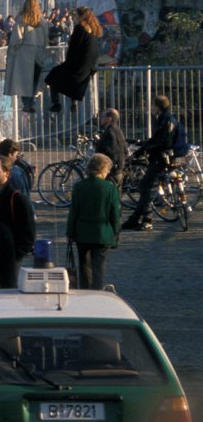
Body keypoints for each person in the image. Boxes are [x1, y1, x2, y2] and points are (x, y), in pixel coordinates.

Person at [124, 94, 180, 232]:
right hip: (162, 157)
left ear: (158, 107)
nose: (151, 108)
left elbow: (161, 142)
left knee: (144, 187)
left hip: (161, 159)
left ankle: (147, 220)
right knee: (145, 186)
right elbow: (155, 139)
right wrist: (140, 151)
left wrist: (145, 149)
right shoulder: (165, 119)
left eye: (153, 105)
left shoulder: (166, 120)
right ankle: (135, 218)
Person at [67, 153, 121, 290]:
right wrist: (115, 233)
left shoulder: (79, 187)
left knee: (84, 265)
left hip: (82, 233)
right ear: (104, 170)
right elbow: (115, 215)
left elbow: (73, 212)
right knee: (99, 267)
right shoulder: (110, 189)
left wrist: (70, 232)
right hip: (102, 234)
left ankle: (85, 291)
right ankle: (97, 291)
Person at [46, 6, 102, 114]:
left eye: (76, 15)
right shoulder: (94, 29)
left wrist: (67, 61)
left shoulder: (80, 28)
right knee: (71, 80)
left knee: (53, 75)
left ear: (81, 16)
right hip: (89, 65)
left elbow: (73, 48)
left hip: (78, 64)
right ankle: (73, 101)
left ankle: (55, 104)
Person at [0, 155, 36, 271]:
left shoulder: (17, 198)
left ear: (7, 173)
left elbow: (29, 232)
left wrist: (17, 254)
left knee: (8, 287)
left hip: (10, 256)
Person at [3, 0, 50, 113]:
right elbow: (45, 39)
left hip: (24, 53)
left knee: (24, 81)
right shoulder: (42, 20)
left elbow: (17, 38)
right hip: (38, 53)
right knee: (35, 79)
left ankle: (26, 104)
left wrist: (13, 50)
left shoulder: (21, 19)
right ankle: (33, 101)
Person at [95, 108, 127, 187]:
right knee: (115, 195)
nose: (101, 118)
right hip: (118, 168)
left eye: (103, 117)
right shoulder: (118, 130)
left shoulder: (109, 132)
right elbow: (124, 149)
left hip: (111, 170)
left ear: (109, 119)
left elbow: (110, 151)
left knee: (109, 194)